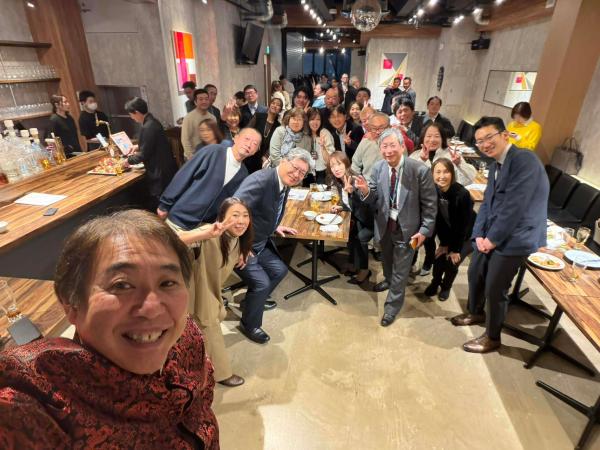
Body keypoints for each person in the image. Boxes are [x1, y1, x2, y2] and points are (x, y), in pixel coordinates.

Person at [0, 210, 218, 448]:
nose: (152, 309)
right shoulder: (33, 403)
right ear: (71, 304)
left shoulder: (188, 339)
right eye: (122, 285)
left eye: (167, 282)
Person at [451, 116, 549, 353]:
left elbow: (515, 206)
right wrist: (478, 235)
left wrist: (492, 240)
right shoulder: (495, 165)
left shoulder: (524, 160)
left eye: (489, 137)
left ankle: (492, 337)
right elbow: (487, 203)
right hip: (494, 232)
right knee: (475, 271)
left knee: (495, 286)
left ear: (505, 135)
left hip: (518, 235)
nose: (484, 144)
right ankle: (476, 312)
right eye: (479, 141)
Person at [355, 128, 437, 327]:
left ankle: (391, 307)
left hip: (408, 230)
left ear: (402, 146)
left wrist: (424, 231)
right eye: (384, 146)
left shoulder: (419, 170)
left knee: (401, 271)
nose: (388, 150)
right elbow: (373, 197)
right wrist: (365, 191)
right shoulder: (378, 168)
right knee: (387, 261)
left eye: (393, 145)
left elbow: (430, 205)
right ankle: (388, 280)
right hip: (384, 225)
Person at [234, 148, 313, 343]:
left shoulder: (283, 183)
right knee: (261, 283)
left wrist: (275, 225)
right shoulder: (262, 180)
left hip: (260, 240)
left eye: (302, 173)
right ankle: (249, 324)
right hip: (242, 245)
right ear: (283, 161)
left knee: (279, 270)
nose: (297, 174)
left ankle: (250, 303)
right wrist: (239, 247)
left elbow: (264, 210)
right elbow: (234, 211)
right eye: (295, 168)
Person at [176, 198, 254, 387]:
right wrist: (205, 233)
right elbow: (175, 240)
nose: (241, 221)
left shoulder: (236, 239)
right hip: (194, 292)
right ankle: (222, 373)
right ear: (221, 218)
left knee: (198, 330)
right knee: (210, 326)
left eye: (245, 216)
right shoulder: (210, 235)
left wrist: (244, 251)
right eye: (234, 215)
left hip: (210, 290)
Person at [158, 127, 261, 229]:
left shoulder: (243, 173)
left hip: (205, 226)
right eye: (247, 139)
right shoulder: (213, 151)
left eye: (254, 144)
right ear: (236, 138)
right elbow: (184, 175)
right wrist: (165, 204)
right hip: (180, 217)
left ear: (255, 151)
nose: (249, 144)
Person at [424, 158, 475, 301]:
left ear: (452, 173)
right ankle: (435, 282)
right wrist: (444, 244)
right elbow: (439, 222)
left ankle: (446, 286)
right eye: (438, 172)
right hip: (449, 234)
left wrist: (455, 249)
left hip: (467, 235)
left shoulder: (462, 194)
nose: (442, 176)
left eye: (446, 172)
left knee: (452, 262)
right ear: (432, 174)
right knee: (439, 258)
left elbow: (463, 226)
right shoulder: (434, 191)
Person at [125, 97, 178, 210]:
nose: (132, 118)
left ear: (137, 112)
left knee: (161, 205)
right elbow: (152, 143)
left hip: (160, 172)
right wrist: (138, 146)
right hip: (166, 168)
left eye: (131, 115)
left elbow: (144, 155)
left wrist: (127, 161)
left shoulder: (148, 127)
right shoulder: (153, 121)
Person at [329, 152, 373, 285]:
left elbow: (366, 204)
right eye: (332, 166)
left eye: (338, 164)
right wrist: (340, 207)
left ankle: (364, 270)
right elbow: (348, 203)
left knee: (360, 237)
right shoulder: (339, 180)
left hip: (370, 219)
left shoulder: (355, 179)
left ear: (346, 163)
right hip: (357, 217)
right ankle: (354, 264)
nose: (336, 168)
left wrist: (352, 192)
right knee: (351, 236)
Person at [410, 122, 477, 186]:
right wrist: (422, 161)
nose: (432, 140)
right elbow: (409, 180)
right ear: (423, 138)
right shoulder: (415, 155)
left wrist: (459, 164)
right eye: (429, 136)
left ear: (442, 139)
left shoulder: (452, 155)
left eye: (437, 136)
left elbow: (468, 181)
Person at [246, 97, 283, 173]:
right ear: (269, 105)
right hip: (250, 152)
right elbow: (247, 130)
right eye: (273, 103)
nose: (275, 106)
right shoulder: (258, 116)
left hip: (264, 159)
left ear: (280, 110)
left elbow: (275, 144)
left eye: (278, 105)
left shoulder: (278, 126)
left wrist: (266, 156)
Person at [351, 111, 388, 180]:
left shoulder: (396, 143)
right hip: (367, 183)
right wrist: (358, 180)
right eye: (374, 128)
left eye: (381, 128)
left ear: (389, 127)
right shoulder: (365, 142)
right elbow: (355, 164)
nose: (378, 132)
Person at [181, 88, 216, 160]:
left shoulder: (212, 118)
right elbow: (185, 139)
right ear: (195, 102)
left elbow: (214, 137)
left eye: (206, 99)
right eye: (201, 99)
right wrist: (191, 157)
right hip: (193, 155)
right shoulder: (189, 118)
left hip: (207, 154)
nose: (204, 101)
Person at [306, 107, 335, 184]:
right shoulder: (305, 134)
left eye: (318, 119)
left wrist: (323, 147)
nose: (315, 122)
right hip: (307, 172)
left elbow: (330, 160)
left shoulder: (325, 133)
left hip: (323, 172)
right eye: (312, 119)